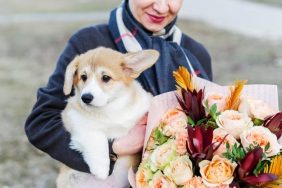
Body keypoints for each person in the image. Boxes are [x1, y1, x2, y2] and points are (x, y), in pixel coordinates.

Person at [25, 0, 212, 177]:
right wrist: (114, 148)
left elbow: (209, 127)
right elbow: (41, 122)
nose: (162, 7)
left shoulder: (195, 54)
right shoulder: (87, 43)